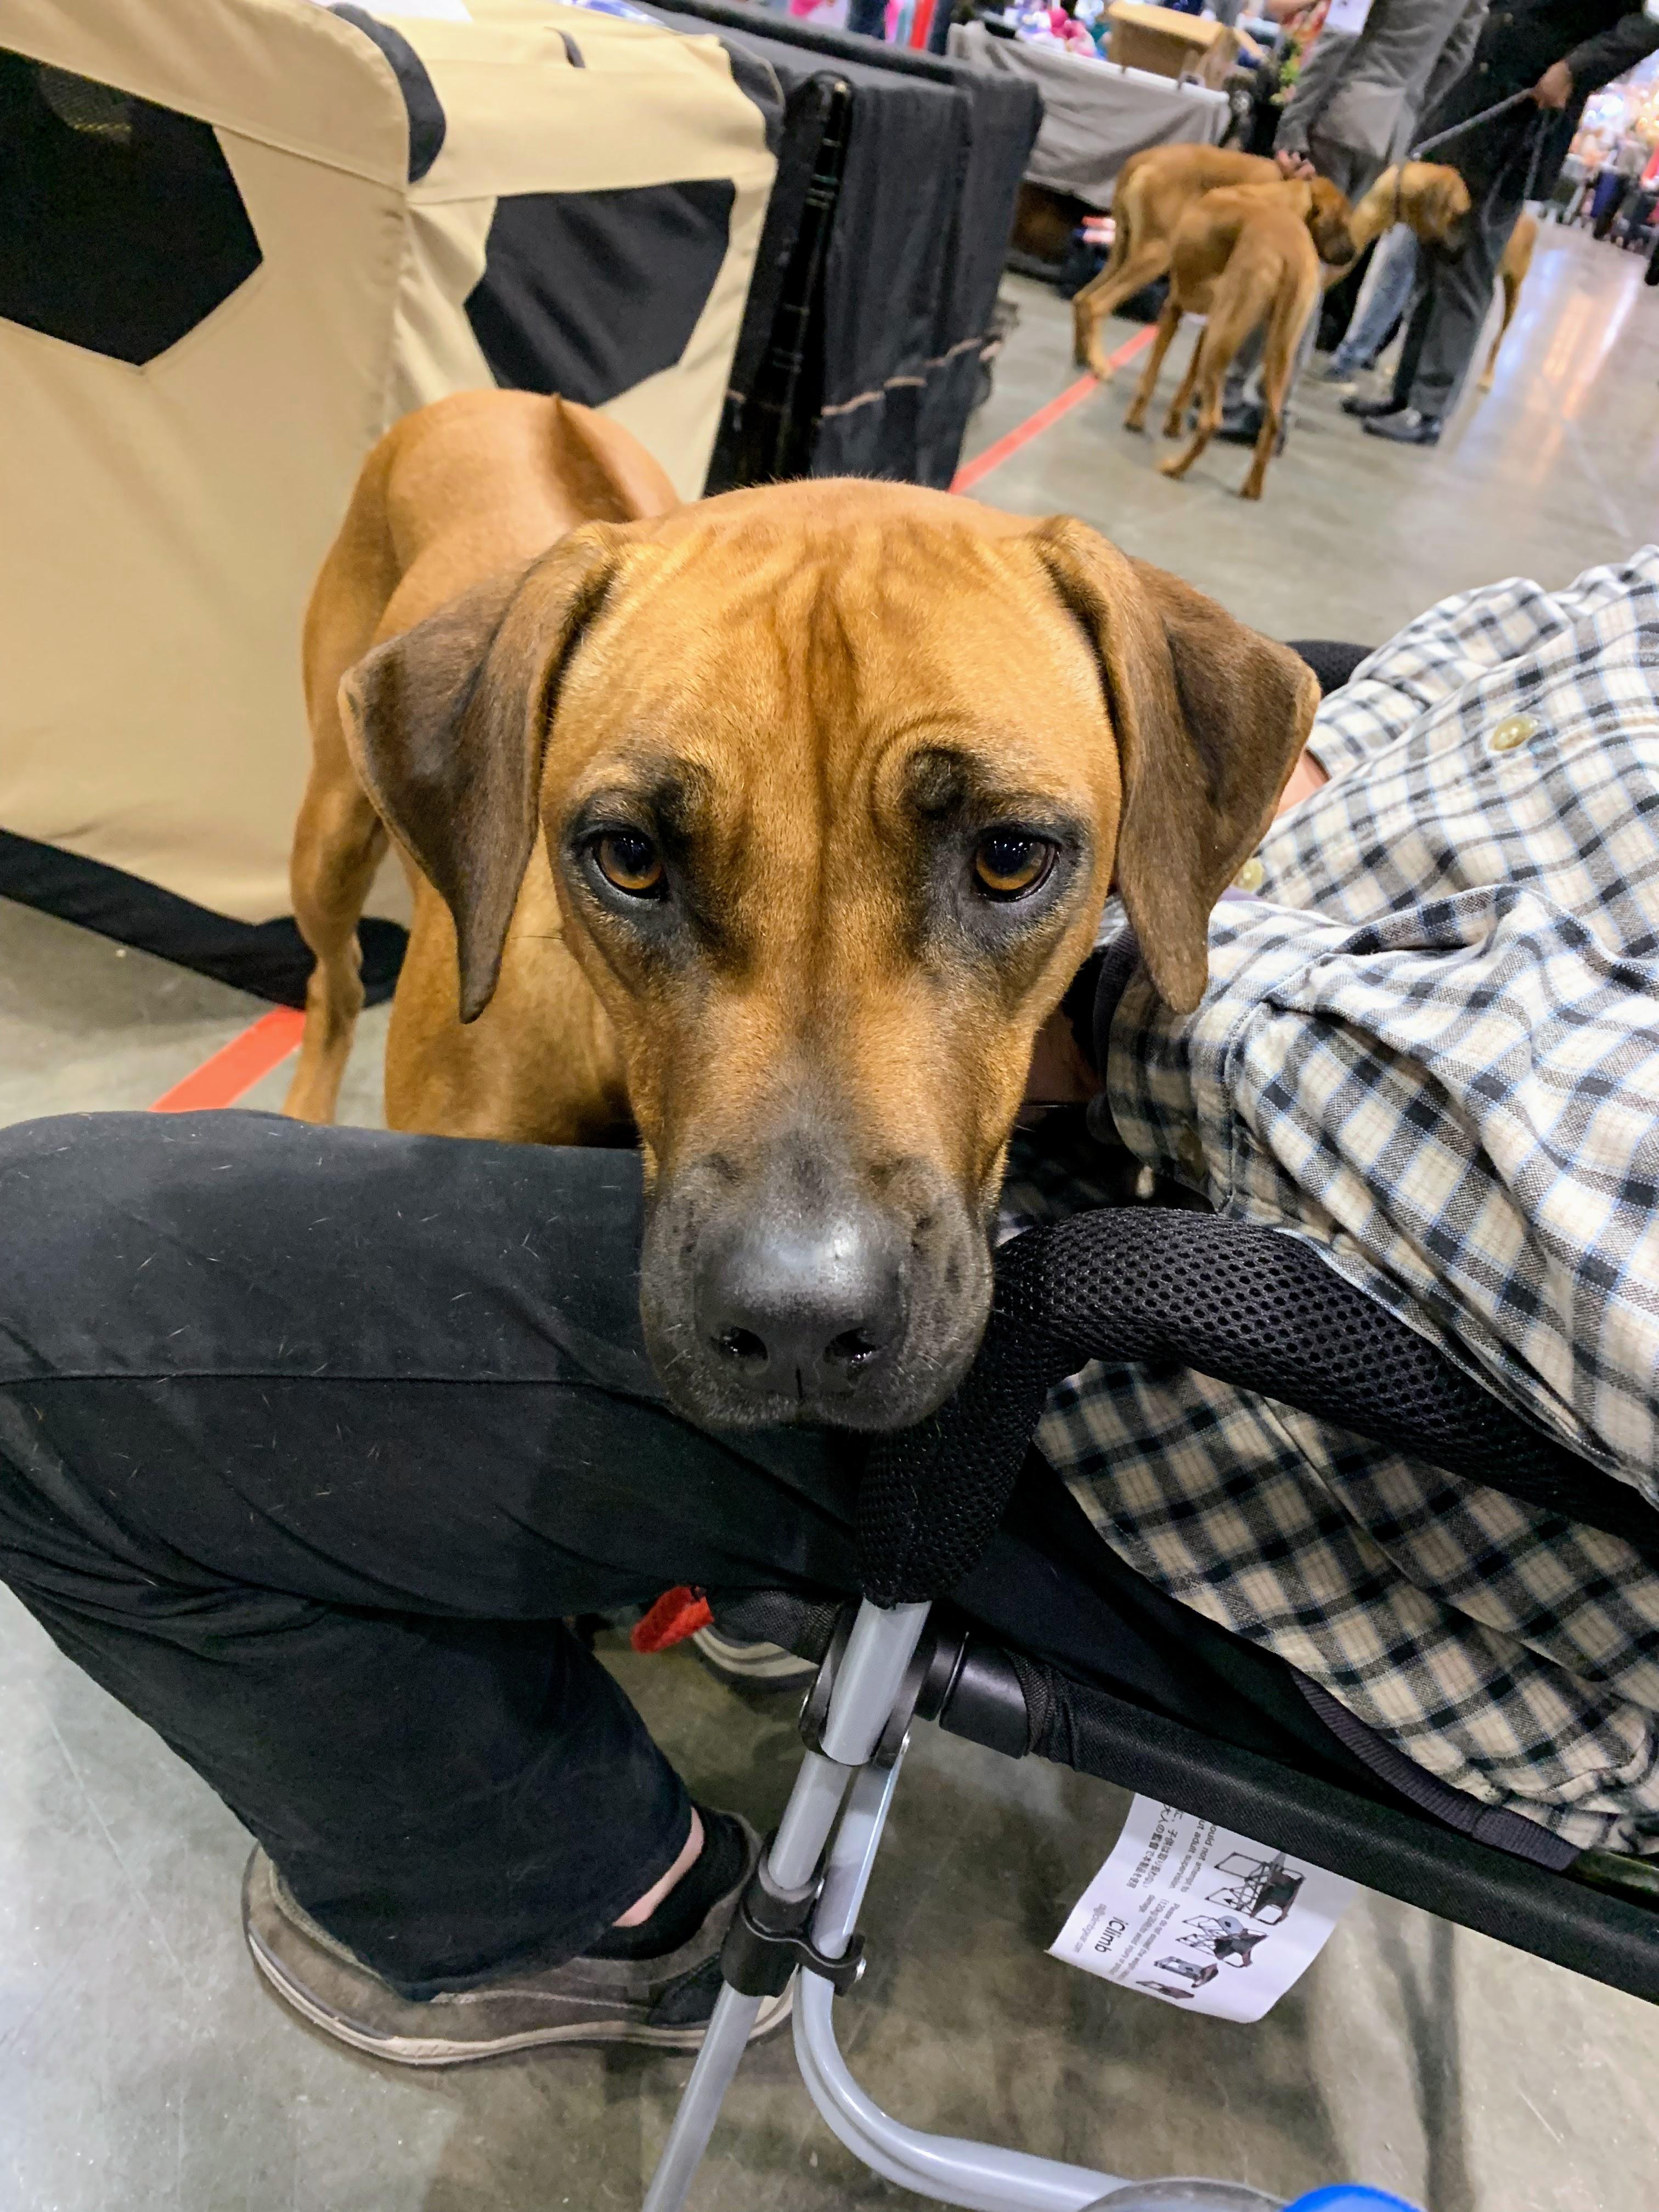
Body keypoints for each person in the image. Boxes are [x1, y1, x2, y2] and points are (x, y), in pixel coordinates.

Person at [4, 554, 1659, 2065]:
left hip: (1305, 1429)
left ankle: (587, 1911)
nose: (802, 1259)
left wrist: (1155, 981)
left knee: (31, 1293)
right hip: (1227, 1075)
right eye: (636, 858)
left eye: (1004, 857)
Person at [1346, 0, 1659, 446]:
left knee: (1468, 268)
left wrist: (1573, 69)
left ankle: (1429, 409)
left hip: (1523, 124)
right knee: (1431, 263)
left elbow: (1646, 27)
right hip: (1474, 102)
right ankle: (1405, 393)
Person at [1219, 0, 1486, 445]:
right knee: (1314, 274)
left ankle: (1234, 399)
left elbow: (1340, 37)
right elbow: (1458, 55)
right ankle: (1274, 407)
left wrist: (1293, 125)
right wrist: (1410, 111)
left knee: (1284, 266)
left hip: (1340, 115)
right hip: (1389, 131)